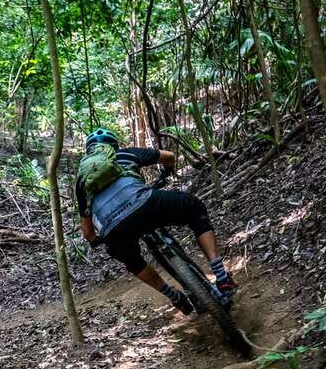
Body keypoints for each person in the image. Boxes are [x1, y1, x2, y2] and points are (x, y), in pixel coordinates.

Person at [76, 128, 236, 315]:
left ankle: (173, 296)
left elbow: (87, 233)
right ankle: (221, 274)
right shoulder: (125, 154)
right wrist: (168, 171)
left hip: (114, 228)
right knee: (194, 208)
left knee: (133, 261)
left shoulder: (82, 182)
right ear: (113, 145)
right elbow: (169, 156)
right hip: (145, 203)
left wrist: (97, 240)